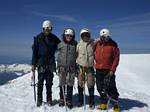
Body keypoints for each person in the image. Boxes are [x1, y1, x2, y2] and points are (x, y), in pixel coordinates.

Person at [31, 20, 60, 107]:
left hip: (50, 63)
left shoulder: (54, 38)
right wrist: (33, 64)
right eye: (46, 28)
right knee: (40, 82)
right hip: (41, 62)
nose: (47, 30)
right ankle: (39, 99)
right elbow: (35, 52)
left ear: (51, 29)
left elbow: (61, 46)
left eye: (49, 28)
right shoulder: (38, 38)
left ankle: (49, 98)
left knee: (49, 83)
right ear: (43, 28)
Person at [95, 28, 120, 112]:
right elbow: (90, 47)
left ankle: (115, 104)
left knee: (111, 87)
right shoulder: (97, 44)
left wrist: (113, 69)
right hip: (98, 69)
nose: (106, 38)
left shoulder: (113, 44)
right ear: (101, 37)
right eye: (104, 37)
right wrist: (95, 41)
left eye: (108, 37)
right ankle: (103, 102)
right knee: (100, 87)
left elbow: (116, 58)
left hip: (109, 70)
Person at [57, 28, 77, 109]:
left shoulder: (75, 44)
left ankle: (69, 100)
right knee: (62, 83)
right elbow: (52, 50)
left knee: (70, 84)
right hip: (62, 67)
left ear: (73, 36)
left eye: (70, 36)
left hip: (71, 68)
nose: (69, 37)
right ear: (64, 35)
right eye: (67, 35)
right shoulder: (60, 44)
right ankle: (62, 99)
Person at [76, 28, 95, 108]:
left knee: (90, 83)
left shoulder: (93, 43)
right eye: (83, 35)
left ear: (89, 35)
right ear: (81, 36)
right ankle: (80, 100)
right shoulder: (79, 44)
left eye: (87, 35)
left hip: (90, 67)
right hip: (81, 66)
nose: (85, 37)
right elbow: (76, 55)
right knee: (80, 83)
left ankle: (91, 100)